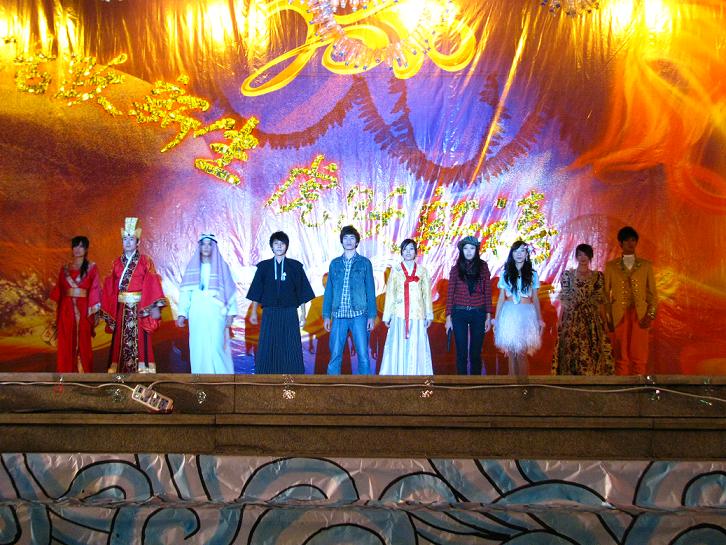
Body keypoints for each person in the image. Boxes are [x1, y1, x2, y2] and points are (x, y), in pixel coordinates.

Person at [101, 217, 166, 374]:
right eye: (125, 239)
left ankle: (143, 373)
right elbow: (110, 287)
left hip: (139, 309)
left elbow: (152, 283)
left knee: (141, 341)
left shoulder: (145, 261)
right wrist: (107, 309)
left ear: (138, 242)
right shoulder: (116, 263)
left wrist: (154, 307)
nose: (128, 242)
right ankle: (118, 374)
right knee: (119, 341)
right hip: (121, 310)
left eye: (131, 239)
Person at [246, 231, 315, 374]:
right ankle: (266, 377)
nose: (279, 246)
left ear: (286, 246)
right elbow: (256, 291)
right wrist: (253, 312)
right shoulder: (264, 267)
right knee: (268, 345)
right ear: (271, 246)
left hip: (289, 313)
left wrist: (303, 314)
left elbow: (301, 292)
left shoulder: (295, 266)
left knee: (290, 345)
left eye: (282, 244)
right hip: (269, 313)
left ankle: (293, 377)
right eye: (276, 243)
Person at [176, 234, 237, 374]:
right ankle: (202, 377)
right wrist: (182, 314)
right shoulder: (192, 267)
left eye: (210, 244)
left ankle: (222, 378)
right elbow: (186, 293)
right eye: (203, 244)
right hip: (197, 313)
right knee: (199, 345)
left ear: (214, 247)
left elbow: (230, 291)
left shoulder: (222, 267)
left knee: (217, 345)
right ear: (199, 247)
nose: (206, 247)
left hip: (217, 313)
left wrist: (230, 314)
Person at [322, 225, 377, 375]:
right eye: (345, 238)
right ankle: (333, 387)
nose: (348, 241)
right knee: (335, 355)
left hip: (359, 314)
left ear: (357, 242)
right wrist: (326, 315)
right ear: (341, 241)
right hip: (338, 315)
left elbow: (370, 290)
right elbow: (329, 291)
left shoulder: (365, 263)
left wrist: (372, 316)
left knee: (363, 355)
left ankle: (364, 387)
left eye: (352, 238)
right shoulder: (335, 263)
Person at [552, 244, 613, 375]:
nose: (582, 257)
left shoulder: (598, 276)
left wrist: (604, 320)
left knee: (591, 348)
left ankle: (590, 377)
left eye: (585, 254)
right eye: (579, 254)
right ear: (576, 257)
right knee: (571, 348)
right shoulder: (568, 275)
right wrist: (560, 319)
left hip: (591, 318)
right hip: (572, 317)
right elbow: (565, 299)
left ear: (590, 256)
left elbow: (599, 300)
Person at [604, 226, 658, 375]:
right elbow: (605, 295)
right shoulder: (611, 266)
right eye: (627, 240)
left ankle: (639, 385)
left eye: (633, 240)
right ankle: (621, 386)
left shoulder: (645, 266)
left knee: (639, 354)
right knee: (620, 355)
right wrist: (608, 318)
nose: (630, 243)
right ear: (620, 243)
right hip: (619, 315)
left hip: (640, 315)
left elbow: (652, 294)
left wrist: (650, 315)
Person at [379, 239, 434, 375]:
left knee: (417, 344)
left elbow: (427, 294)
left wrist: (429, 314)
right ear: (401, 252)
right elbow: (390, 293)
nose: (408, 252)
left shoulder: (422, 271)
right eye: (405, 249)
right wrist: (387, 316)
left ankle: (417, 374)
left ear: (416, 252)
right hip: (399, 314)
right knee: (398, 344)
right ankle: (397, 374)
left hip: (417, 314)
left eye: (411, 249)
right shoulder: (396, 270)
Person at [49, 236, 102, 373]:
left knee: (83, 342)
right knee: (66, 343)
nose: (78, 249)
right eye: (75, 246)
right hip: (66, 311)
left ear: (86, 249)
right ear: (72, 249)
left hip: (84, 310)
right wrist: (55, 313)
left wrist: (94, 312)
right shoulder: (64, 269)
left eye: (81, 246)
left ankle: (84, 376)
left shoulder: (92, 268)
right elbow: (58, 291)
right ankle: (65, 376)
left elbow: (95, 290)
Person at [493, 241, 544, 376]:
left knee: (522, 353)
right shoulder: (505, 273)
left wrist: (539, 319)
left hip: (526, 314)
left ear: (526, 253)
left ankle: (523, 384)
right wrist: (496, 320)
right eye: (516, 251)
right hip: (509, 313)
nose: (519, 254)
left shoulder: (532, 274)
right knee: (511, 353)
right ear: (512, 254)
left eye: (522, 251)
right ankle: (512, 384)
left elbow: (535, 298)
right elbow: (501, 298)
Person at [444, 236, 493, 375]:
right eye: (466, 248)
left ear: (476, 250)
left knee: (476, 352)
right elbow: (450, 294)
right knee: (461, 352)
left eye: (472, 248)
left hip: (478, 312)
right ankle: (462, 383)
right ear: (462, 250)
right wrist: (448, 318)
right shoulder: (455, 269)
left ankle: (475, 383)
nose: (469, 251)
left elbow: (487, 292)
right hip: (459, 313)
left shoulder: (483, 267)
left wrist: (488, 316)